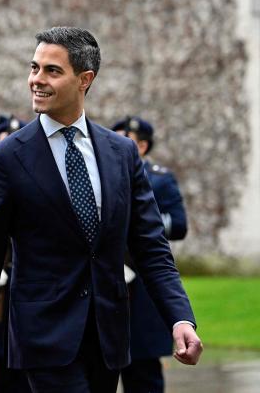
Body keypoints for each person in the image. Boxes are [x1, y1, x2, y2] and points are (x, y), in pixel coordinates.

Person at [0, 27, 202, 393]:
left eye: (51, 71)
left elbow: (151, 245)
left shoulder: (121, 153)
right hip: (44, 339)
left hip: (108, 338)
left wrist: (181, 318)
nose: (36, 80)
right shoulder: (6, 159)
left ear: (85, 79)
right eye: (34, 68)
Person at [112, 116, 188, 393]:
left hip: (141, 280)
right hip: (108, 273)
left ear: (142, 146)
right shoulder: (103, 174)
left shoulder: (159, 179)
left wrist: (142, 224)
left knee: (143, 367)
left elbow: (178, 225)